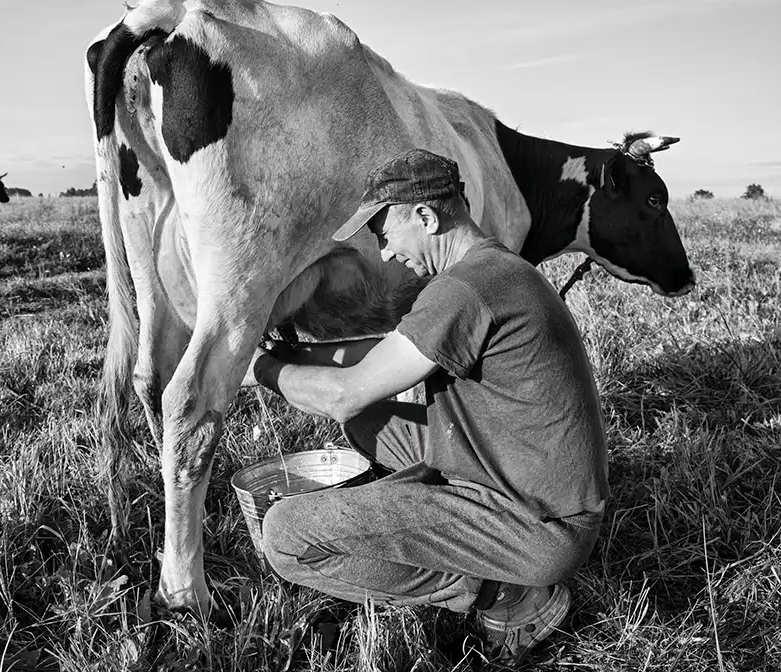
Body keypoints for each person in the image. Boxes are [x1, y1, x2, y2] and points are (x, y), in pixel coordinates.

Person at [243, 148, 609, 663]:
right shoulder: (489, 271)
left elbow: (342, 394)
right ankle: (444, 532)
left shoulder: (465, 289)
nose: (386, 253)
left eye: (383, 233)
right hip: (511, 465)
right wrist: (293, 354)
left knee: (283, 535)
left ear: (426, 216)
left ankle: (501, 595)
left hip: (535, 524)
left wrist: (259, 369)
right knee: (368, 422)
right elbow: (384, 355)